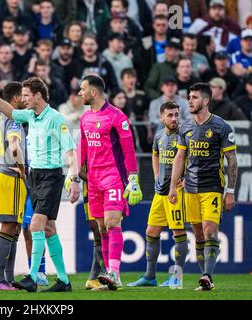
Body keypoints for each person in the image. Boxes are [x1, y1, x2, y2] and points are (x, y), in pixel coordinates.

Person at [0, 76, 80, 293]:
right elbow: (10, 111)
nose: (23, 100)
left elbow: (70, 150)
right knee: (49, 229)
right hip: (34, 176)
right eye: (22, 96)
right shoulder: (31, 115)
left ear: (38, 95)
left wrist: (75, 179)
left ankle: (32, 276)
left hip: (51, 177)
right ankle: (63, 281)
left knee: (35, 226)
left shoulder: (56, 118)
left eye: (26, 96)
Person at [169, 82, 238, 291]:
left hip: (213, 188)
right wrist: (173, 186)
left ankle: (208, 275)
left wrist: (231, 192)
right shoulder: (186, 127)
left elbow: (232, 161)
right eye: (189, 97)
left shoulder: (222, 126)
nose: (190, 100)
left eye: (195, 97)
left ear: (206, 101)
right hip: (190, 189)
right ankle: (204, 279)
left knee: (210, 232)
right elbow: (179, 158)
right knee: (198, 235)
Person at [78, 74, 142, 291]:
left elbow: (129, 149)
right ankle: (109, 274)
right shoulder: (85, 117)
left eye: (82, 89)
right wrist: (78, 171)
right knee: (102, 228)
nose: (80, 93)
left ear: (93, 92)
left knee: (113, 222)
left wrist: (132, 178)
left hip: (113, 177)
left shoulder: (117, 117)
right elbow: (84, 146)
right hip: (93, 180)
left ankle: (114, 272)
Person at [127, 102, 188, 288]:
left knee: (178, 232)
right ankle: (149, 277)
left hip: (177, 192)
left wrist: (187, 180)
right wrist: (156, 175)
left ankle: (176, 278)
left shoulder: (184, 135)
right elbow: (155, 154)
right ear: (161, 117)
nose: (174, 119)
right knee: (151, 232)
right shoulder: (159, 135)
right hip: (160, 192)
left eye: (176, 115)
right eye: (170, 115)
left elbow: (195, 159)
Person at [0, 81, 27, 290]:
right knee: (9, 226)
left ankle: (8, 277)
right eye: (23, 96)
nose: (26, 99)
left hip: (1, 173)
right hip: (11, 177)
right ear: (15, 99)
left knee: (14, 228)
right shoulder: (13, 119)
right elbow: (14, 146)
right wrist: (21, 168)